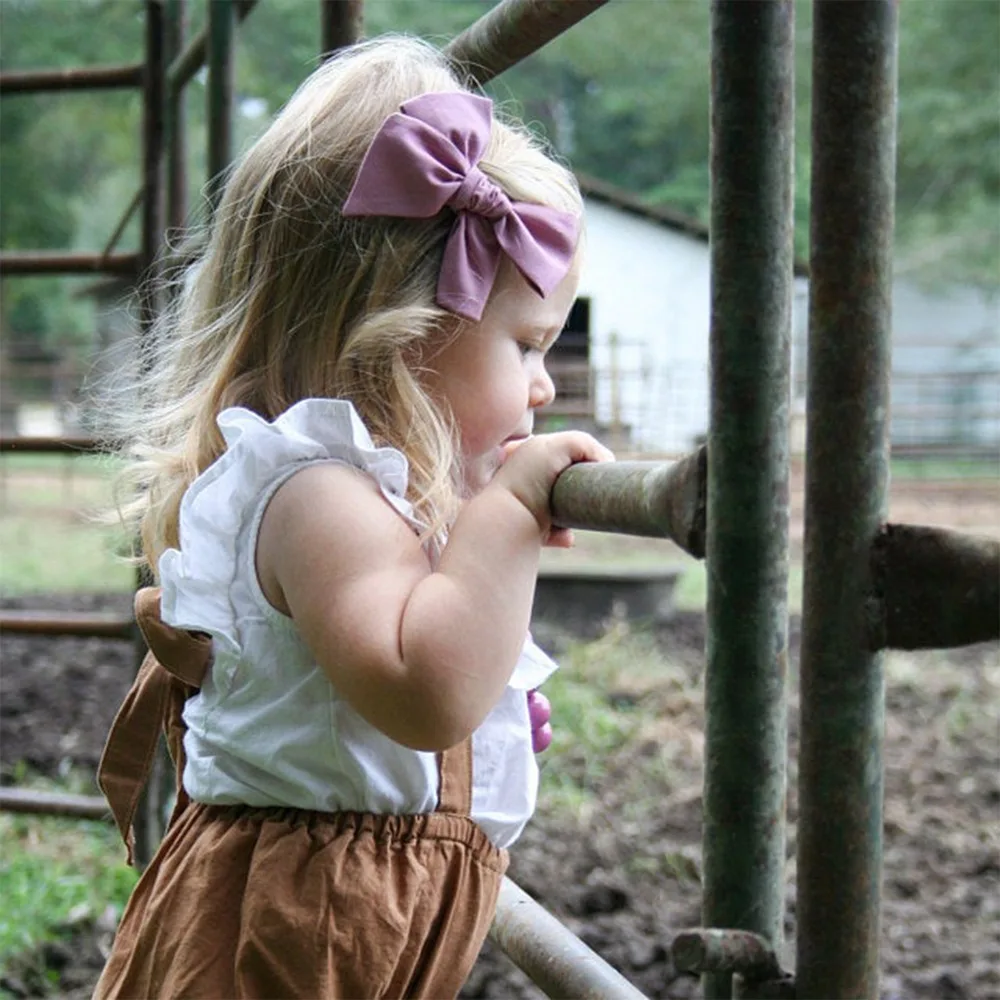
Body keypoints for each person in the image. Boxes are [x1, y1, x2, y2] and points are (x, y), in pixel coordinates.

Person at [93, 34, 613, 1000]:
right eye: (527, 344)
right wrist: (509, 510)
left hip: (344, 918)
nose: (543, 386)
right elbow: (423, 693)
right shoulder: (320, 491)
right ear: (400, 332)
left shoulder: (364, 500)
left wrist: (491, 723)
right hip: (297, 934)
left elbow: (392, 703)